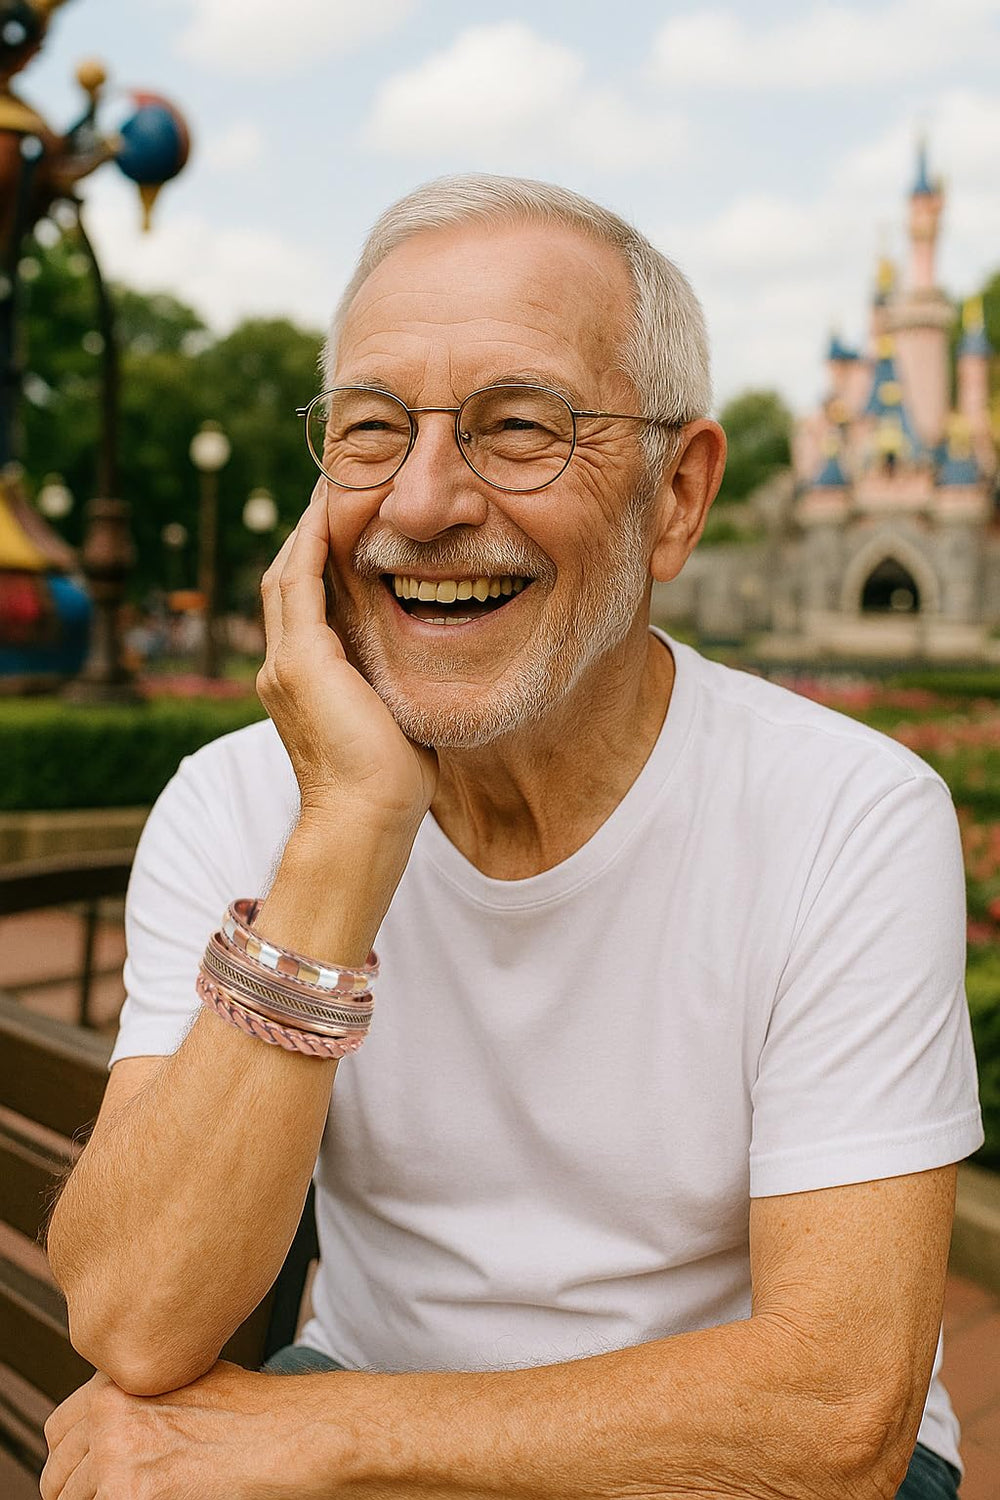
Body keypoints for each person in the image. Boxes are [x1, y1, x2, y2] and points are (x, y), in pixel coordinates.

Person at [41, 175, 983, 1500]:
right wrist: (351, 830)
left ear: (676, 495)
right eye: (371, 432)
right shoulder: (237, 798)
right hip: (366, 1414)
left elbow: (834, 1416)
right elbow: (133, 1317)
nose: (423, 504)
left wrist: (323, 1434)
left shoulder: (850, 813)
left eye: (519, 429)